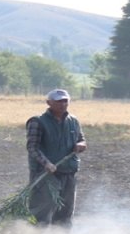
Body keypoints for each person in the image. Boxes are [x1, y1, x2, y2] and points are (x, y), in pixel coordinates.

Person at [26, 88, 87, 226]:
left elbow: (81, 140)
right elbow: (32, 147)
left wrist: (81, 145)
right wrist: (46, 163)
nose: (63, 104)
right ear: (49, 103)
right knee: (41, 210)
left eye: (65, 101)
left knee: (65, 212)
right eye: (59, 101)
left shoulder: (73, 121)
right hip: (45, 174)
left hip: (69, 172)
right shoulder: (37, 121)